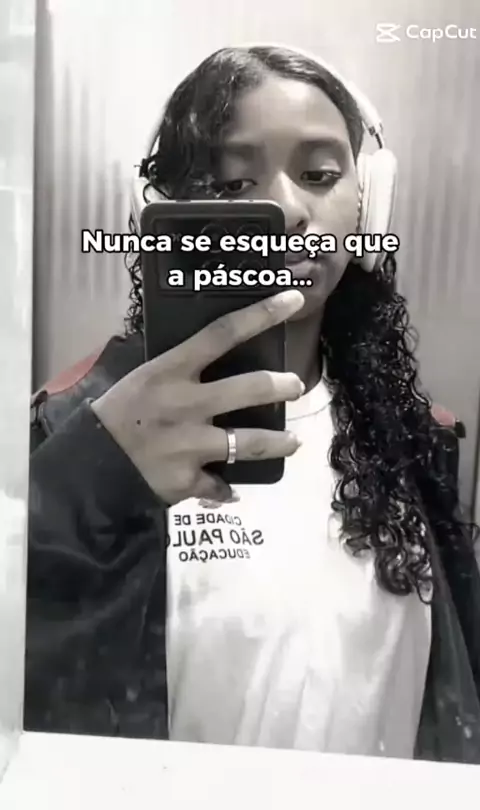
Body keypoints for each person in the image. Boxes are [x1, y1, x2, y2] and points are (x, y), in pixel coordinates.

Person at [25, 44, 480, 763]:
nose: (288, 211)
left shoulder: (419, 440)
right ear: (165, 216)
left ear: (370, 200)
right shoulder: (73, 428)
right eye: (235, 183)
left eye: (320, 175)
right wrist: (86, 482)